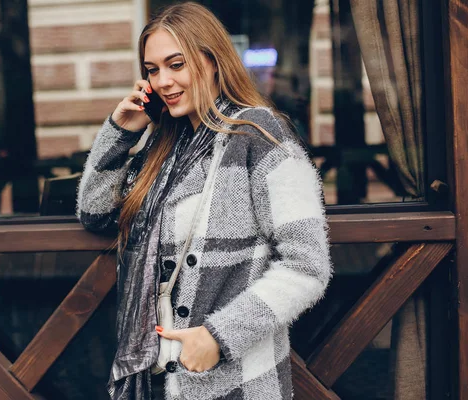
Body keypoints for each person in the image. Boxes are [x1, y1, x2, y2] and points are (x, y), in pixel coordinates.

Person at [76, 2, 332, 399]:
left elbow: (306, 265)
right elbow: (95, 212)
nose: (163, 80)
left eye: (176, 64)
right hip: (157, 378)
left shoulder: (261, 135)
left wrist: (220, 335)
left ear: (213, 61)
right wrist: (120, 133)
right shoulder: (165, 147)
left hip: (234, 381)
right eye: (152, 70)